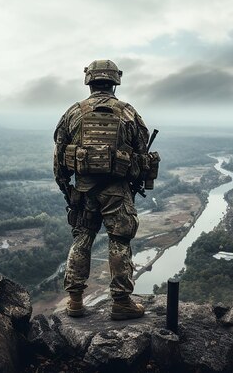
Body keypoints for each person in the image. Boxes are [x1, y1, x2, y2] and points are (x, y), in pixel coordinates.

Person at [53, 59, 158, 320]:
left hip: (84, 189)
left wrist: (69, 191)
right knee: (119, 241)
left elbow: (59, 160)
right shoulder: (128, 113)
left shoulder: (73, 113)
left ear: (89, 81)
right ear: (115, 81)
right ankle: (121, 302)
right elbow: (142, 155)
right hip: (117, 191)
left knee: (81, 239)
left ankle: (75, 301)